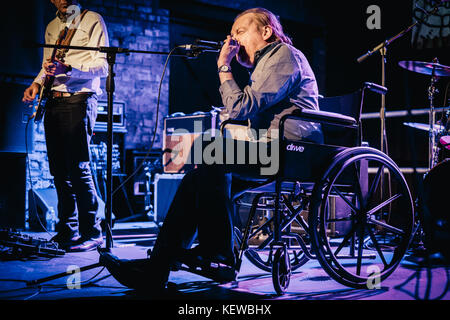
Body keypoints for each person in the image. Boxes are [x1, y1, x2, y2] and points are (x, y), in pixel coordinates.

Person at [100, 7, 322, 291]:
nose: (233, 39)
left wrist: (224, 66)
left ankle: (218, 257)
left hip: (294, 151)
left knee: (211, 152)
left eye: (240, 32)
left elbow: (241, 107)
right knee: (197, 176)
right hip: (272, 149)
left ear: (266, 32)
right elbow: (244, 111)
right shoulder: (264, 64)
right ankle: (158, 267)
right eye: (231, 34)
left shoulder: (283, 55)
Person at [22, 0, 109, 252]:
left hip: (80, 98)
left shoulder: (92, 19)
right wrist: (37, 83)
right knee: (59, 171)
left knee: (78, 167)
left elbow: (103, 65)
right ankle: (67, 230)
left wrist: (69, 69)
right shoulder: (51, 26)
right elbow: (46, 66)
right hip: (54, 99)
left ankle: (92, 232)